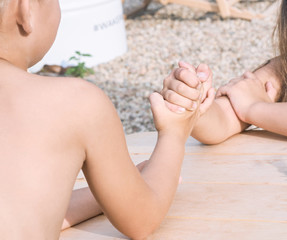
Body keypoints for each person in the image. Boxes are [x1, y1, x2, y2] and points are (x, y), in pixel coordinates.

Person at [0, 0, 204, 239]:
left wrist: (107, 192)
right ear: (25, 10)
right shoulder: (75, 102)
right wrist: (175, 132)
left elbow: (22, 205)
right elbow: (141, 218)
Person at [161, 1, 287, 144]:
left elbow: (247, 105)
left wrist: (255, 109)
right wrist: (195, 104)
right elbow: (223, 120)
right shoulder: (280, 71)